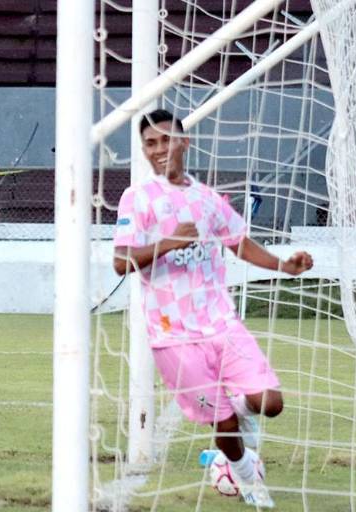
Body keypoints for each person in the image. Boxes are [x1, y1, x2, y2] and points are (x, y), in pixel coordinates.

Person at [112, 109, 313, 508]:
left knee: (270, 402)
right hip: (173, 336)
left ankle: (238, 414)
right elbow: (121, 261)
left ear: (184, 142)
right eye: (150, 143)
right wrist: (169, 243)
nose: (159, 149)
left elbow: (240, 242)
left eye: (166, 140)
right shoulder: (138, 198)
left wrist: (284, 266)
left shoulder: (207, 199)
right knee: (224, 423)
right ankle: (247, 479)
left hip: (221, 324)